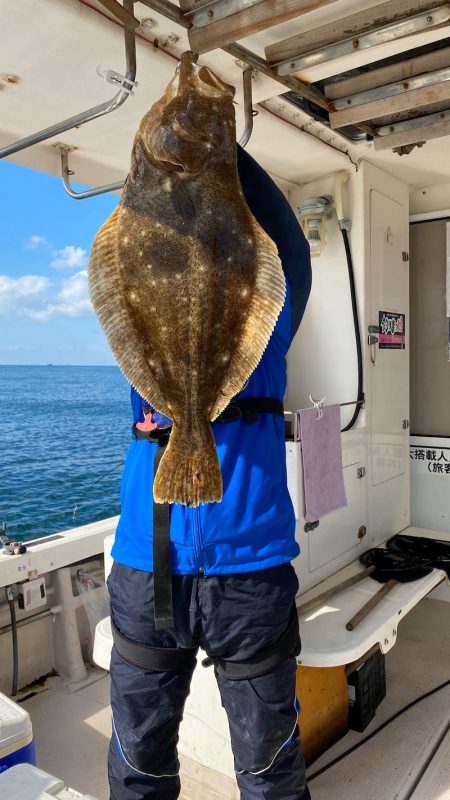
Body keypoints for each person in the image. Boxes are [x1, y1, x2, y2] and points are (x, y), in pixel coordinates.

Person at [106, 144, 312, 800]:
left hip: (248, 578)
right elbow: (123, 253)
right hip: (148, 571)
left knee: (270, 770)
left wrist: (222, 149)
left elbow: (293, 253)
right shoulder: (139, 320)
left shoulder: (267, 326)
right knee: (138, 767)